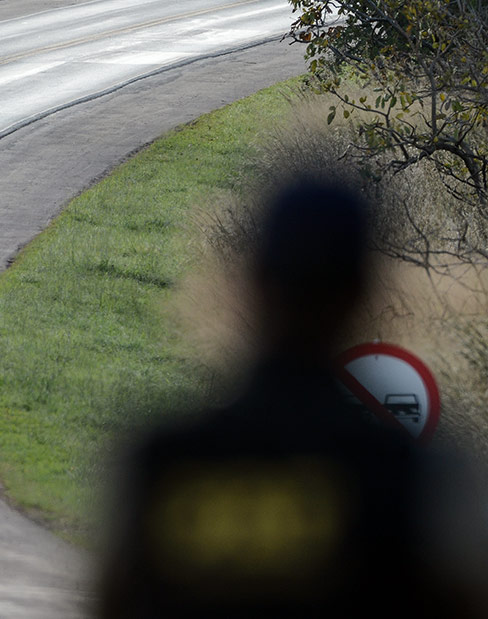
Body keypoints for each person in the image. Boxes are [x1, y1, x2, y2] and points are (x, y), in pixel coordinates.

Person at [95, 178, 488, 619]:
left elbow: (114, 596)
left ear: (254, 280)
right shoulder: (414, 478)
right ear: (361, 292)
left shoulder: (164, 463)